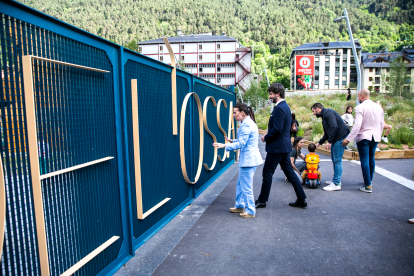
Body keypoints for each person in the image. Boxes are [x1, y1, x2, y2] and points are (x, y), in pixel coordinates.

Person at [255, 83, 307, 209]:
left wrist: (265, 137)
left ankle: (262, 200)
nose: (269, 96)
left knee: (267, 172)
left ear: (278, 93)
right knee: (289, 173)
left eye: (271, 94)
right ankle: (301, 199)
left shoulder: (279, 108)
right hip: (284, 146)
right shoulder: (286, 107)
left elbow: (277, 129)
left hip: (277, 148)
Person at [213, 103, 263, 218]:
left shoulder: (245, 125)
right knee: (241, 184)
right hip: (250, 159)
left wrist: (224, 145)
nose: (233, 115)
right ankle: (240, 205)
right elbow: (245, 140)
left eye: (235, 113)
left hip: (248, 160)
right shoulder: (249, 123)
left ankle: (250, 210)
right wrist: (232, 140)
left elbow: (242, 143)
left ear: (242, 112)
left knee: (246, 186)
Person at [343, 89, 384, 193]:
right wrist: (379, 135)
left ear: (362, 96)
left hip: (364, 137)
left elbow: (357, 126)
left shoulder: (360, 107)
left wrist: (348, 139)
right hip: (375, 137)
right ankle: (369, 181)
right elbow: (381, 124)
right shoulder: (378, 107)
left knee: (364, 160)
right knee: (371, 159)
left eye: (357, 96)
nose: (357, 98)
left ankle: (368, 185)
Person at [312, 103, 350, 191]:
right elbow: (327, 133)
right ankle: (335, 180)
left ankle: (336, 183)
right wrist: (319, 143)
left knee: (337, 160)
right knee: (334, 159)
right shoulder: (324, 116)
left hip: (339, 138)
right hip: (336, 138)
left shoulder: (328, 113)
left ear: (317, 109)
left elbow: (334, 126)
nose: (313, 113)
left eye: (313, 111)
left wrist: (329, 141)